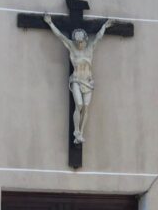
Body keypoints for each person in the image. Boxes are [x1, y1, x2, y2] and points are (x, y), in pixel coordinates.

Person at [43, 14, 114, 144]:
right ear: (75, 41)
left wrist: (105, 26)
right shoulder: (72, 47)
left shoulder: (90, 48)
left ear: (85, 40)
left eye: (82, 42)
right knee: (79, 105)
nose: (80, 44)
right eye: (78, 42)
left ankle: (80, 133)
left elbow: (98, 37)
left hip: (88, 82)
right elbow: (60, 36)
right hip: (76, 80)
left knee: (86, 108)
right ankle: (76, 130)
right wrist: (50, 23)